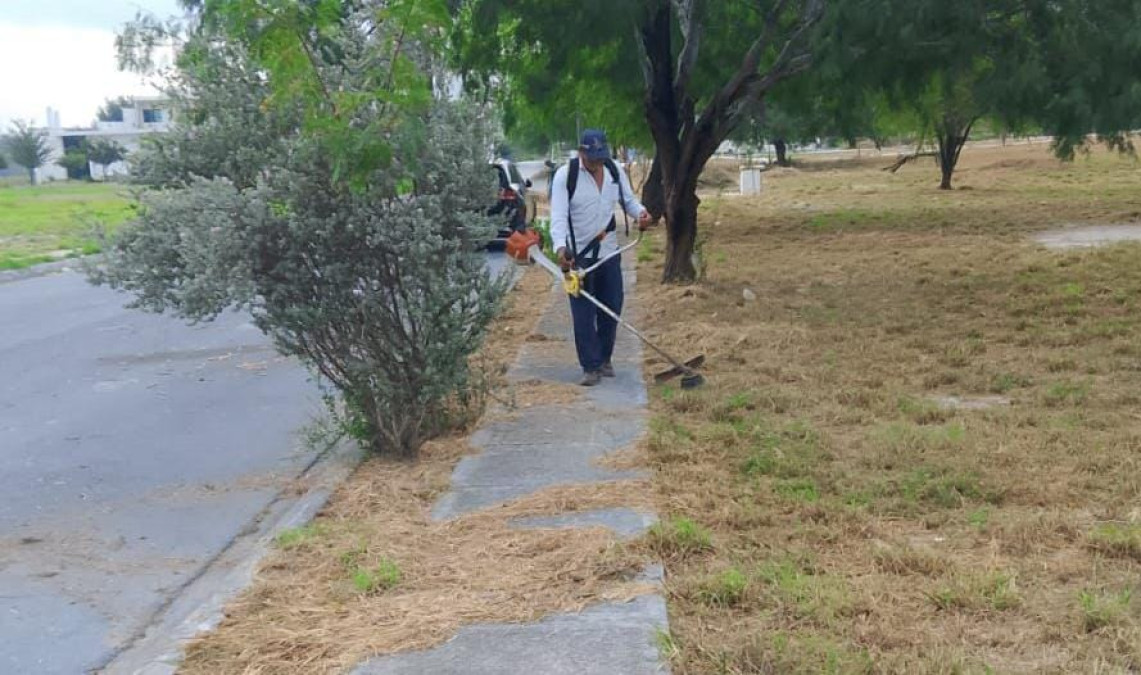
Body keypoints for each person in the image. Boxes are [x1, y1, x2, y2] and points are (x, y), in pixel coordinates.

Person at [550, 129, 652, 387]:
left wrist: (641, 213)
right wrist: (561, 249)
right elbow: (558, 217)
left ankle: (605, 358)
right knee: (584, 315)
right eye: (593, 157)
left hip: (609, 252)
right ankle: (591, 366)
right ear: (581, 152)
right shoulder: (567, 176)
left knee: (612, 307)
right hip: (578, 258)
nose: (597, 162)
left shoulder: (614, 171)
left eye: (601, 157)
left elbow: (628, 202)